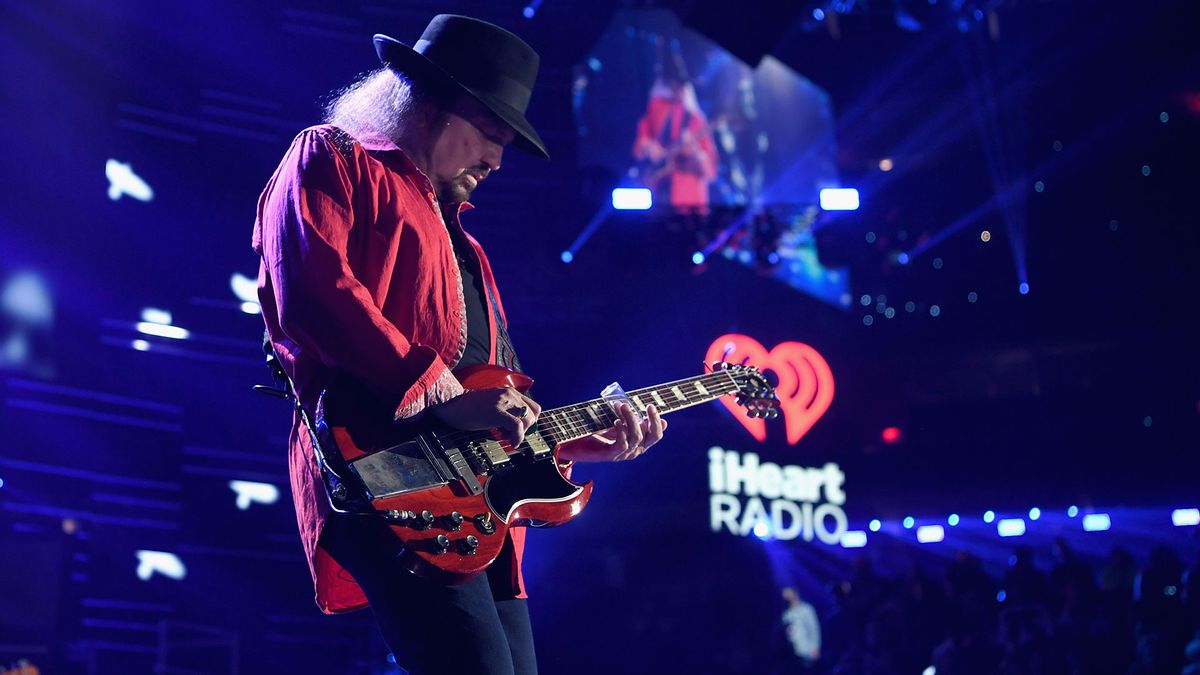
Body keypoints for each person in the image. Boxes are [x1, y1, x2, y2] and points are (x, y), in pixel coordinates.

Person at [252, 15, 666, 675]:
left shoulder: (468, 248)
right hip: (389, 473)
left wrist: (592, 440)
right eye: (490, 133)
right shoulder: (331, 155)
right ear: (425, 103)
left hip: (479, 507)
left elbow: (492, 408)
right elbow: (312, 290)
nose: (497, 160)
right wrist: (442, 393)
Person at [631, 47, 718, 212]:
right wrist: (649, 147)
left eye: (679, 84)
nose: (676, 89)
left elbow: (711, 168)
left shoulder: (696, 119)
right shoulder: (655, 110)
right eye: (672, 84)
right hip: (657, 194)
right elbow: (639, 147)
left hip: (689, 199)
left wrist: (695, 152)